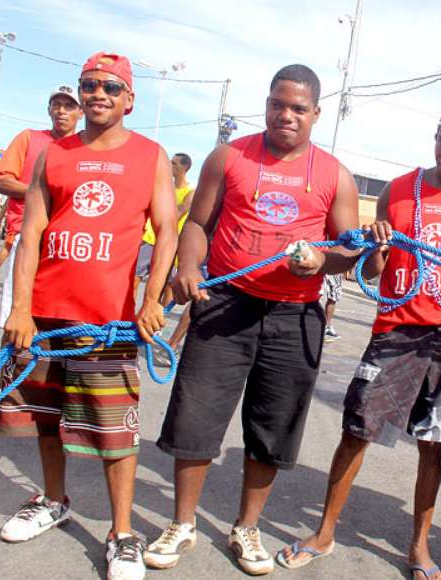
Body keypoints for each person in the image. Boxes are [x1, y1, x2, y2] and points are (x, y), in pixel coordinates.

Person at [145, 64, 360, 575]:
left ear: (316, 114)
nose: (285, 115)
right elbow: (198, 222)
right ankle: (182, 524)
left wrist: (323, 261)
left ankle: (246, 527)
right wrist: (190, 267)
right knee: (196, 416)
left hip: (296, 316)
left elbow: (349, 248)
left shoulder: (335, 174)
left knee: (272, 426)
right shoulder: (230, 155)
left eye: (298, 108)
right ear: (266, 104)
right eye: (276, 104)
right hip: (225, 304)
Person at [275, 102, 441, 580]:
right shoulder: (399, 191)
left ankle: (418, 548)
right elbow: (372, 272)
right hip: (396, 331)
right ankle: (324, 533)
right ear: (435, 138)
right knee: (355, 431)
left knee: (432, 446)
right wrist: (377, 249)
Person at [0, 53, 177, 580]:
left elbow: (166, 231)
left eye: (110, 87)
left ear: (129, 99)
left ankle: (122, 533)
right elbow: (31, 233)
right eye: (89, 86)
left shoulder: (150, 156)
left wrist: (151, 300)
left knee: (114, 434)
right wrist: (22, 308)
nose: (98, 94)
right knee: (47, 420)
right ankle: (54, 500)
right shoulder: (53, 155)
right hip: (46, 318)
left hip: (108, 323)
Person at [0, 86, 82, 299]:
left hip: (69, 243)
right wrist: (41, 193)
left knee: (57, 320)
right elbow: (0, 180)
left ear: (81, 112)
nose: (61, 111)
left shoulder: (86, 149)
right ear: (49, 110)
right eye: (56, 105)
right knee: (16, 317)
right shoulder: (29, 138)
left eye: (69, 106)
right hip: (26, 235)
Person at [149, 153, 195, 366]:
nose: (170, 165)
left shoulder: (190, 192)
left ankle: (160, 331)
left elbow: (176, 213)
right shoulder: (164, 187)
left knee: (168, 288)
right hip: (150, 240)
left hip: (173, 246)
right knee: (143, 284)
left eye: (174, 163)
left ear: (184, 168)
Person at [322, 273, 344, 341]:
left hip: (335, 269)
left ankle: (327, 326)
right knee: (332, 295)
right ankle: (325, 327)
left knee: (333, 296)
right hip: (331, 267)